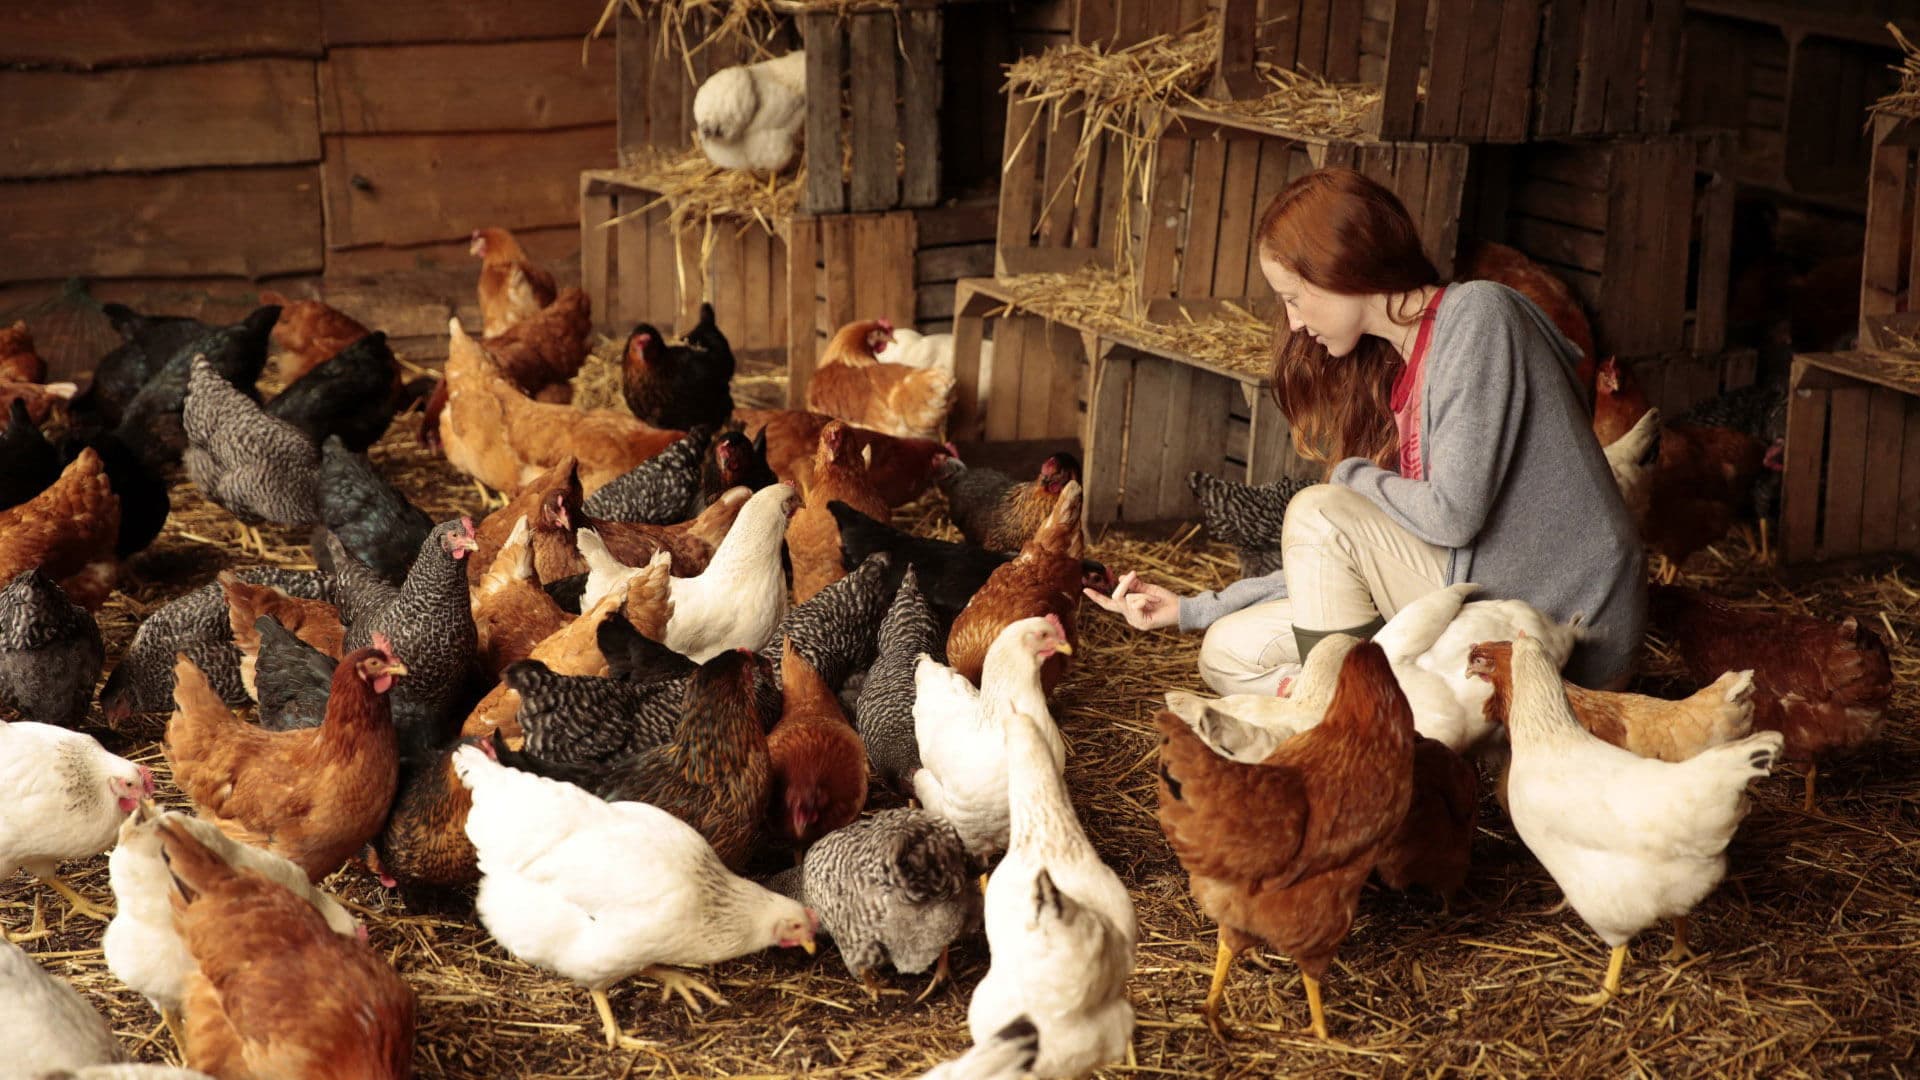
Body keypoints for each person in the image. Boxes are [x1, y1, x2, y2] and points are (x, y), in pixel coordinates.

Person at [1085, 168, 1644, 694]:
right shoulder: (1400, 373)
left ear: (1340, 268)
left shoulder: (1477, 316)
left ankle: (1356, 741)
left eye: (1292, 298)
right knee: (1226, 650)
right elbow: (1340, 560)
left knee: (1318, 509)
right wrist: (1194, 607)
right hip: (1473, 594)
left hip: (1560, 622)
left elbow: (1454, 515)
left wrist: (1353, 477)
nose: (1296, 323)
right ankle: (1364, 720)